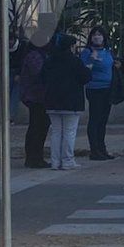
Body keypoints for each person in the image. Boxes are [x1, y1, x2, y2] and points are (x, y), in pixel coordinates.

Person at [42, 33, 91, 170]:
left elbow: (42, 77)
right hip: (71, 101)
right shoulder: (74, 61)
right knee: (69, 132)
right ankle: (67, 160)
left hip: (52, 100)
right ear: (71, 46)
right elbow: (85, 77)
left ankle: (55, 161)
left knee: (56, 132)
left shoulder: (50, 60)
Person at [79, 26, 116, 161]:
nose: (97, 37)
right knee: (95, 119)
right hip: (95, 88)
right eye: (94, 35)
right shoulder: (87, 52)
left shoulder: (107, 51)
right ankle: (94, 150)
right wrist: (91, 60)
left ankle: (102, 148)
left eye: (99, 35)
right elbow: (83, 68)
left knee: (103, 120)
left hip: (108, 88)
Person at [17, 35, 51, 168]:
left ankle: (36, 156)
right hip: (35, 96)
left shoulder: (41, 55)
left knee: (40, 126)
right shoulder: (34, 56)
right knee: (37, 126)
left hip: (39, 96)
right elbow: (40, 73)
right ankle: (33, 157)